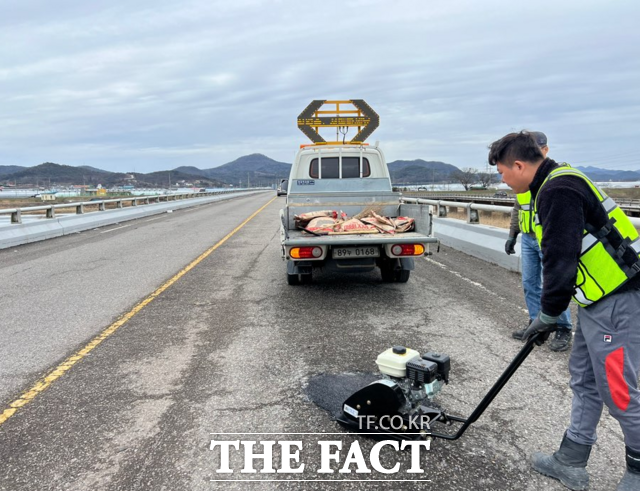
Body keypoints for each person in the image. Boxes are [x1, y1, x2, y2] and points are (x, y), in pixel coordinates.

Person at [489, 131, 640, 491]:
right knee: (585, 380)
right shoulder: (554, 182)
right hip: (595, 300)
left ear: (520, 166)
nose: (503, 181)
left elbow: (560, 260)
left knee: (620, 391)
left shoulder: (558, 191)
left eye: (502, 173)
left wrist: (548, 314)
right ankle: (571, 460)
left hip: (619, 301)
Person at [505, 131, 573, 351]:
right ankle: (536, 323)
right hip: (527, 238)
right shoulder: (524, 181)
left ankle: (563, 327)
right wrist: (512, 234)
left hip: (547, 239)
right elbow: (518, 209)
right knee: (530, 284)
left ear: (545, 150)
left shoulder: (554, 179)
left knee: (553, 284)